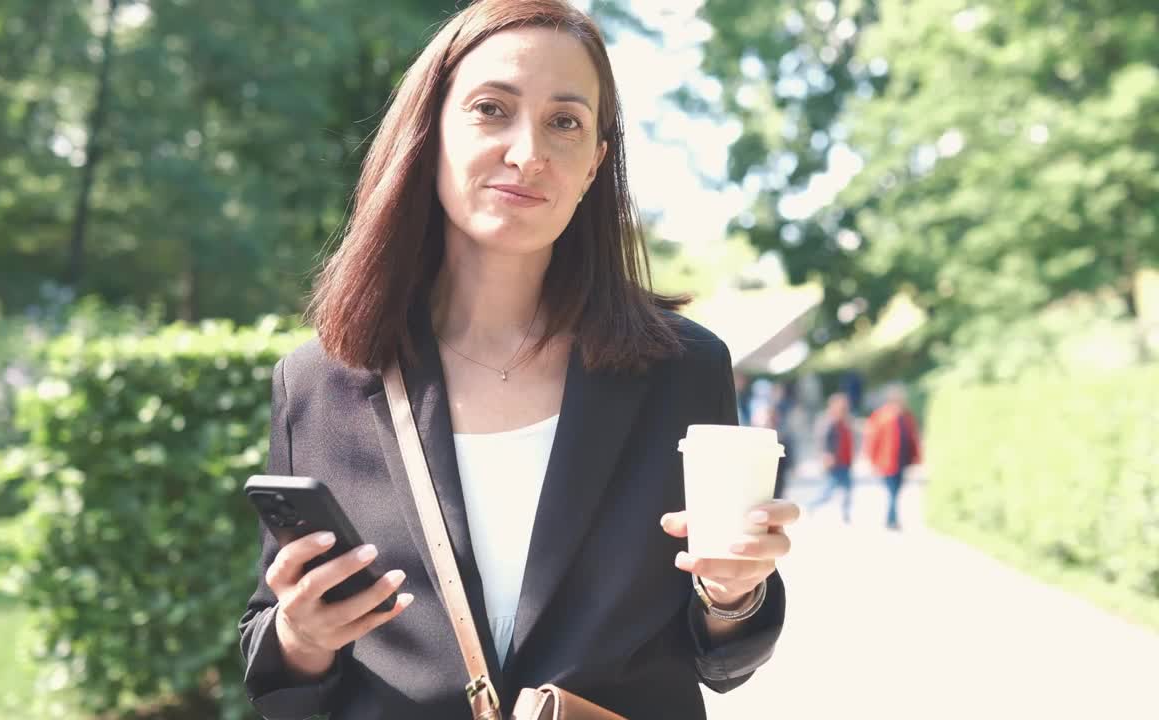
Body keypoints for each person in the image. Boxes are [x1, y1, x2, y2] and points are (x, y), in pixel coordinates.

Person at [237, 2, 800, 717]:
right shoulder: (321, 380)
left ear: (596, 161)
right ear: (430, 130)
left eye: (565, 122)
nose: (527, 151)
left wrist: (732, 592)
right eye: (491, 109)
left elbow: (723, 661)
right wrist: (302, 634)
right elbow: (277, 672)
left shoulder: (682, 369)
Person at [862, 385, 922, 530]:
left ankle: (891, 519)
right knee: (893, 491)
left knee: (896, 491)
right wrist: (872, 460)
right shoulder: (881, 416)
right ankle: (892, 520)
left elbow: (913, 438)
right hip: (887, 462)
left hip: (902, 461)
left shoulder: (906, 416)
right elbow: (873, 439)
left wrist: (916, 458)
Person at [809, 393, 855, 523]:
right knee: (827, 492)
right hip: (834, 463)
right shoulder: (828, 422)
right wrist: (825, 455)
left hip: (845, 462)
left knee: (848, 491)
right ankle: (811, 505)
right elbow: (821, 440)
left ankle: (846, 515)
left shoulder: (845, 421)